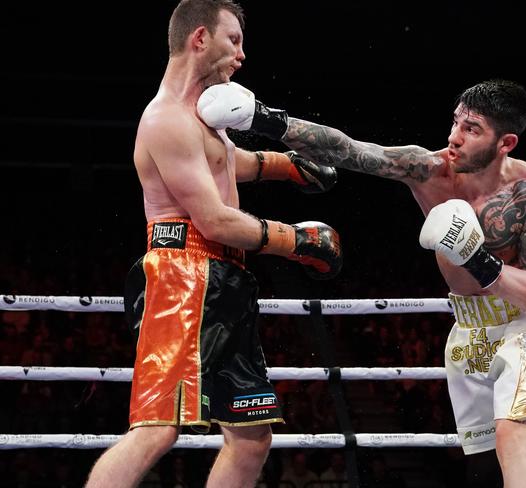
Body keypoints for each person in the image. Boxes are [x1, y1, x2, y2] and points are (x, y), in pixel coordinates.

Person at [196, 78, 526, 487]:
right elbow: (351, 150)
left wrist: (478, 260)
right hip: (471, 326)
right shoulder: (427, 170)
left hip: (525, 327)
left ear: (506, 142)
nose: (454, 138)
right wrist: (266, 120)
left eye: (472, 129)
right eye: (456, 122)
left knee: (512, 439)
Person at [85, 1, 341, 487]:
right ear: (200, 38)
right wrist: (297, 240)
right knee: (157, 430)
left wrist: (286, 164)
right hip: (182, 276)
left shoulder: (201, 116)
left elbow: (225, 164)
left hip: (225, 280)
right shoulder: (166, 120)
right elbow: (215, 220)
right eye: (234, 40)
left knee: (250, 438)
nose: (242, 55)